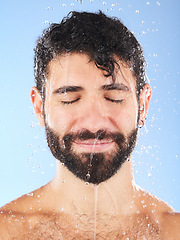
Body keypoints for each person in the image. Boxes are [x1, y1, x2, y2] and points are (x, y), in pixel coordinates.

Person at [0, 11, 179, 240]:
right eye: (69, 99)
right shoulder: (6, 231)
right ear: (39, 108)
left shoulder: (174, 233)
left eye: (114, 97)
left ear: (143, 105)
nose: (94, 122)